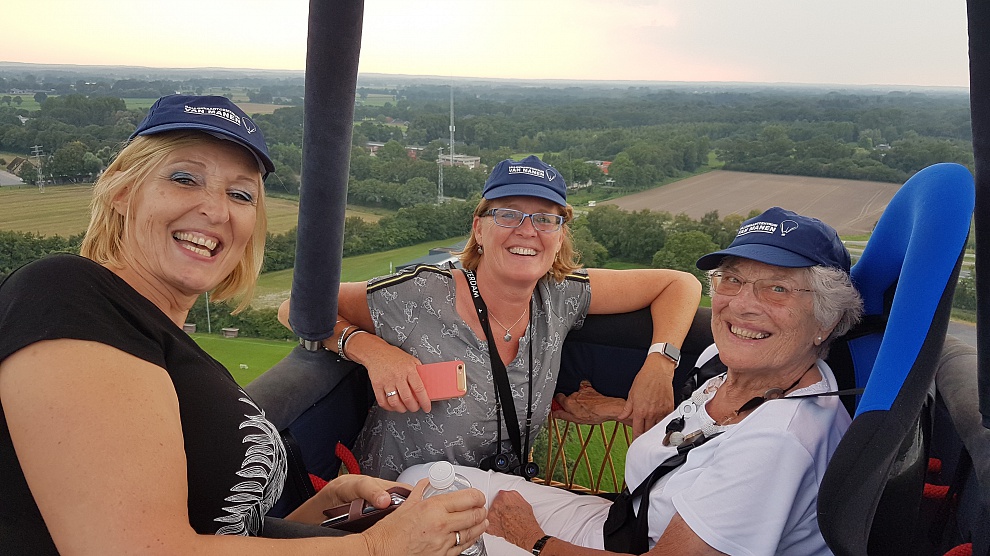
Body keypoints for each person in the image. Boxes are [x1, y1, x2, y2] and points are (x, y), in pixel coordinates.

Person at [0, 94, 486, 555]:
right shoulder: (66, 294)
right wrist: (377, 547)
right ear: (122, 191)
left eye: (240, 194)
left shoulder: (173, 349)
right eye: (185, 178)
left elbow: (223, 530)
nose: (216, 210)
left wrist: (324, 510)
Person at [398, 207, 864, 555]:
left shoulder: (777, 444)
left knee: (426, 538)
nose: (742, 305)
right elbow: (702, 439)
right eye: (733, 281)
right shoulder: (725, 365)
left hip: (630, 545)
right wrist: (617, 407)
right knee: (419, 486)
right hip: (625, 523)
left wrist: (532, 540)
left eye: (777, 288)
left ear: (826, 318)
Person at [278, 155, 702, 480]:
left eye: (545, 219)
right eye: (508, 214)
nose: (527, 230)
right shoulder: (421, 293)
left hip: (494, 501)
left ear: (559, 238)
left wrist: (659, 364)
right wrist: (371, 350)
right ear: (479, 229)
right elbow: (296, 306)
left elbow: (679, 284)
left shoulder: (561, 295)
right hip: (393, 503)